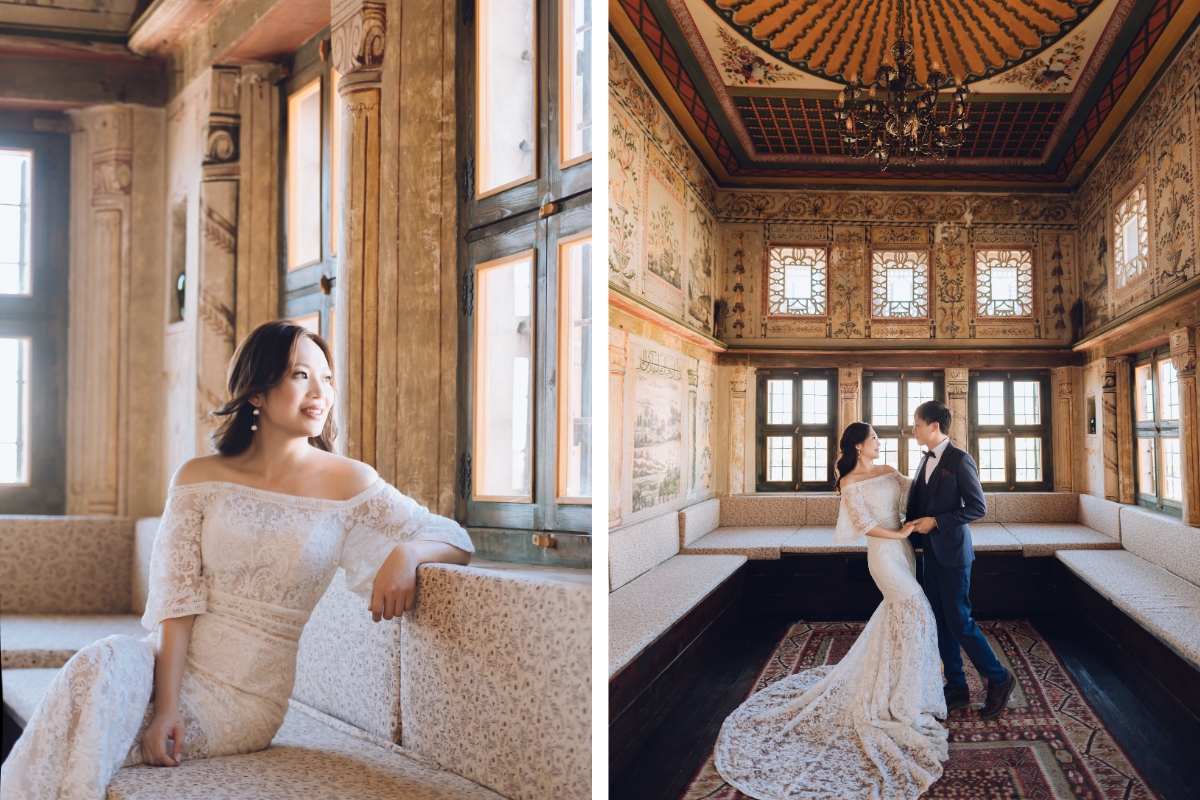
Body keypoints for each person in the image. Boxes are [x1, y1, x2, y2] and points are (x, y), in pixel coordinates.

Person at [0, 320, 474, 800]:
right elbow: (177, 599)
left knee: (90, 732)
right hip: (165, 666)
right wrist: (166, 708)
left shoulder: (350, 481)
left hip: (244, 699)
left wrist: (408, 552)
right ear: (257, 394)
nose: (320, 392)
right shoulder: (198, 477)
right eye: (299, 375)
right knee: (98, 661)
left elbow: (452, 537)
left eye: (327, 378)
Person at [714, 422, 948, 800]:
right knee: (915, 610)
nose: (879, 442)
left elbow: (918, 493)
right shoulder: (849, 483)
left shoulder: (889, 471)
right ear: (858, 445)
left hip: (904, 555)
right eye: (873, 438)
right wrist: (901, 534)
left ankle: (900, 687)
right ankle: (896, 694)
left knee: (900, 617)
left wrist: (935, 482)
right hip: (884, 556)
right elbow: (864, 525)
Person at [906, 400, 1014, 719]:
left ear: (933, 427)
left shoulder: (960, 459)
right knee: (940, 621)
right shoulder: (923, 460)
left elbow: (977, 508)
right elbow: (918, 505)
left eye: (916, 424)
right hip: (930, 555)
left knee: (960, 621)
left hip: (953, 554)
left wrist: (937, 522)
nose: (913, 429)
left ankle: (999, 678)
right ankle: (956, 686)